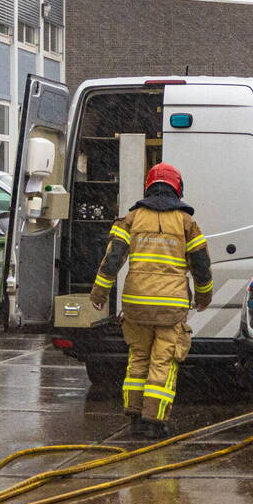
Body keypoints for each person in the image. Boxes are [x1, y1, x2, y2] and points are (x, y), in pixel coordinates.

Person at [89, 163, 212, 439]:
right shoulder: (186, 222)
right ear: (177, 187)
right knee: (163, 361)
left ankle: (134, 416)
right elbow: (201, 264)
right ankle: (154, 422)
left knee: (138, 357)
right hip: (170, 307)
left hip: (136, 304)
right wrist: (204, 296)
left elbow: (112, 259)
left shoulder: (131, 218)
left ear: (149, 186)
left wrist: (99, 294)